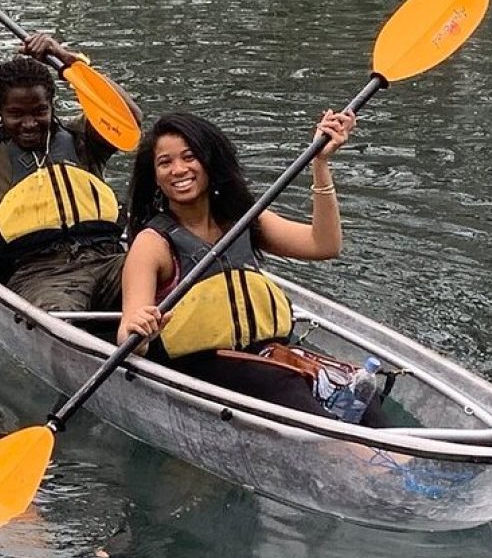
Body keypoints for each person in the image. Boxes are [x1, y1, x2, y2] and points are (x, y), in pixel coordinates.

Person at [116, 111, 390, 427]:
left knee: (358, 391)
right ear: (155, 176)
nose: (178, 170)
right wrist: (140, 330)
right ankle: (367, 465)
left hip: (265, 357)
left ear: (210, 162)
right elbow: (129, 336)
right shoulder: (152, 244)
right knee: (284, 386)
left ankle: (411, 462)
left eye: (189, 157)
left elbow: (323, 245)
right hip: (200, 369)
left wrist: (320, 164)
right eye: (165, 163)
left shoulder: (244, 221)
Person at [0, 0, 142, 312]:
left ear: (52, 106)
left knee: (165, 283)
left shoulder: (83, 139)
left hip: (109, 259)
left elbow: (130, 118)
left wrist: (68, 62)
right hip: (41, 274)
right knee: (61, 317)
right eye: (16, 114)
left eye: (39, 111)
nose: (30, 123)